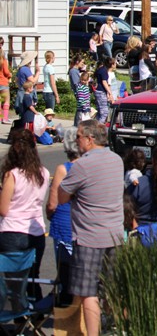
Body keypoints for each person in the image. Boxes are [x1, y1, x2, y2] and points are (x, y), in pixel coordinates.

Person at [58, 120, 124, 336]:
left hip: (89, 236)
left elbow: (62, 196)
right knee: (111, 288)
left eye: (78, 137)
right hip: (114, 234)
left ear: (89, 139)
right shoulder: (116, 160)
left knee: (88, 292)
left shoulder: (82, 165)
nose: (76, 141)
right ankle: (114, 328)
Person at [0, 128, 49, 301]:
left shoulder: (12, 175)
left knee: (13, 281)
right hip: (36, 230)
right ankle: (35, 308)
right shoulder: (43, 173)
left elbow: (3, 209)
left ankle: (16, 312)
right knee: (32, 276)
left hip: (12, 230)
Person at [46, 126, 79, 305]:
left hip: (65, 224)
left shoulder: (63, 169)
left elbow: (53, 203)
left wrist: (49, 214)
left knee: (65, 271)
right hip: (85, 226)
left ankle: (66, 306)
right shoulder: (89, 167)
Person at [14, 51, 40, 117]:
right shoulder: (26, 69)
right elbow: (33, 81)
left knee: (22, 111)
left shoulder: (20, 69)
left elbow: (16, 80)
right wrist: (38, 72)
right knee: (28, 109)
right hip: (27, 91)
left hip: (21, 91)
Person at [94, 57, 115, 122]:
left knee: (100, 113)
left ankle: (94, 125)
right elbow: (104, 82)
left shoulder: (101, 69)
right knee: (104, 113)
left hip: (98, 91)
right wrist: (110, 92)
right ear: (111, 64)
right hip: (101, 92)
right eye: (114, 63)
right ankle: (99, 127)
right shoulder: (104, 71)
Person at [0, 38, 10, 125]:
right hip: (3, 82)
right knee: (6, 100)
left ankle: (0, 117)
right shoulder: (3, 59)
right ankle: (5, 118)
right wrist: (10, 75)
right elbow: (6, 72)